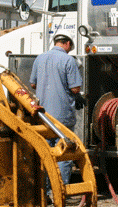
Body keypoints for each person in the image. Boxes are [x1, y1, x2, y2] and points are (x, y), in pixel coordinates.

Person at [29, 34, 84, 196]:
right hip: (63, 115)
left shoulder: (40, 58)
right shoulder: (68, 60)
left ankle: (44, 192)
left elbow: (33, 83)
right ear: (67, 44)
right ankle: (59, 192)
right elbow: (75, 88)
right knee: (64, 153)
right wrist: (77, 95)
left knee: (46, 153)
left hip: (43, 116)